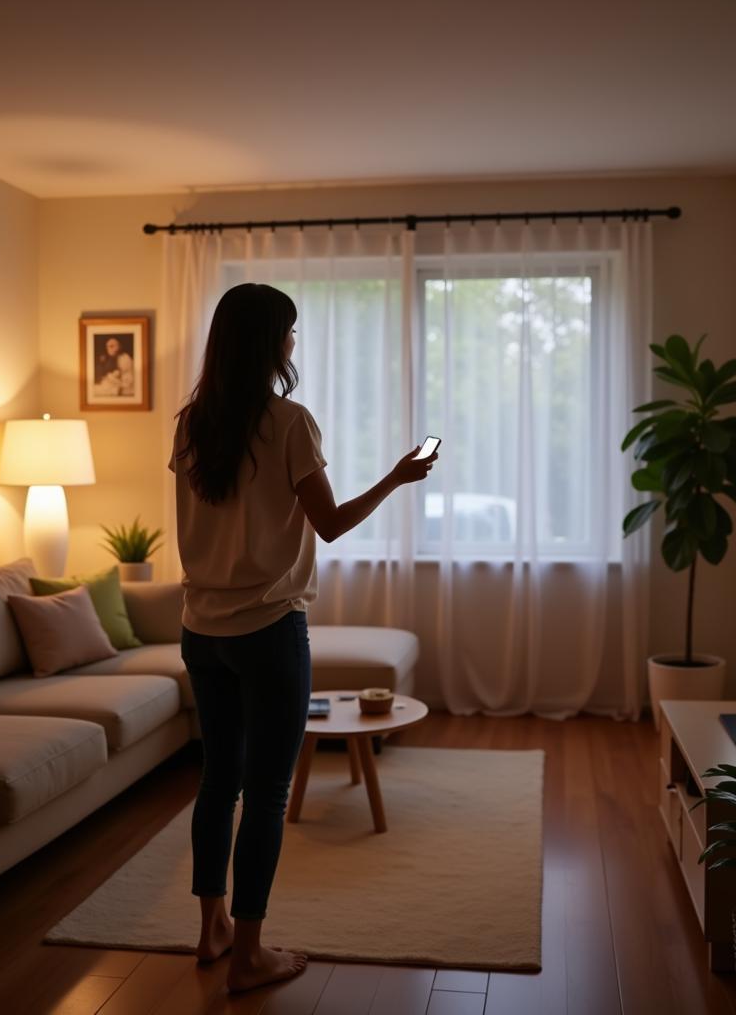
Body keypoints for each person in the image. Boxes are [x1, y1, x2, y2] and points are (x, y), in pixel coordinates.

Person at [169, 282, 438, 993]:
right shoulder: (289, 422)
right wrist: (396, 478)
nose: (294, 343)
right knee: (265, 793)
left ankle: (211, 929)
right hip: (267, 628)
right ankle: (251, 954)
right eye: (289, 332)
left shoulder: (191, 422)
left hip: (201, 629)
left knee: (217, 782)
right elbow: (331, 522)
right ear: (268, 344)